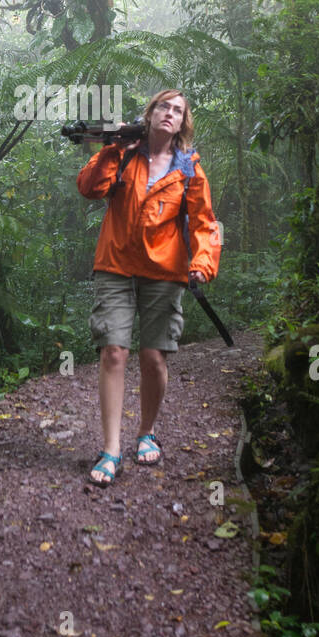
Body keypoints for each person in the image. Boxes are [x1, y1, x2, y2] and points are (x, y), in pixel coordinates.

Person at [76, 89, 222, 486]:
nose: (170, 113)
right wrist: (112, 148)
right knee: (113, 352)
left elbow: (205, 223)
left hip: (165, 269)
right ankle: (110, 450)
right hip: (116, 263)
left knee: (153, 357)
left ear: (182, 122)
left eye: (178, 110)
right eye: (164, 106)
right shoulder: (124, 153)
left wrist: (202, 263)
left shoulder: (188, 166)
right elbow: (90, 188)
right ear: (151, 112)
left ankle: (147, 431)